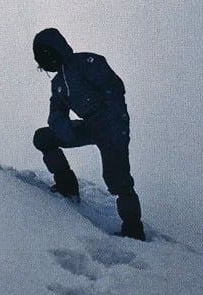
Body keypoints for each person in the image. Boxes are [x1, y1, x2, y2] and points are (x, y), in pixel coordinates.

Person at [32, 28, 146, 241]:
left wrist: (116, 124)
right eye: (41, 62)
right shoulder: (57, 84)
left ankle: (133, 229)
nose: (45, 65)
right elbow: (56, 110)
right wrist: (59, 124)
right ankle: (67, 186)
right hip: (90, 126)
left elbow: (114, 87)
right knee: (43, 137)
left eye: (45, 57)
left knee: (116, 178)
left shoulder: (86, 62)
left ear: (56, 50)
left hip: (112, 125)